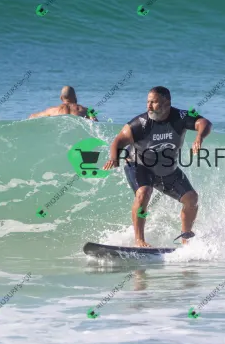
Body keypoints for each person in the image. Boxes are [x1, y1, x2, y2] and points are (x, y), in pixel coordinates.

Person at [102, 86, 213, 247]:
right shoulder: (140, 123)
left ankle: (186, 239)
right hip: (139, 165)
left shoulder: (180, 117)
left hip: (167, 169)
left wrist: (199, 137)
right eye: (148, 102)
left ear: (166, 103)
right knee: (143, 193)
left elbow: (204, 123)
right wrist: (114, 158)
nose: (149, 106)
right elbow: (118, 141)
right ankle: (139, 240)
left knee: (191, 199)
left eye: (153, 102)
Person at [29, 86, 98, 121]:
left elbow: (32, 116)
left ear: (61, 98)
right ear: (75, 97)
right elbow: (94, 121)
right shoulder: (88, 110)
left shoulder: (52, 110)